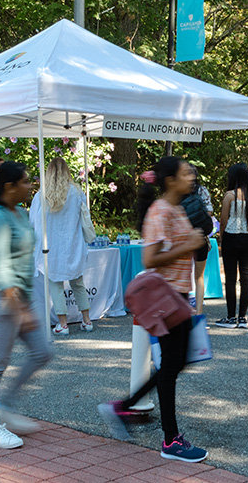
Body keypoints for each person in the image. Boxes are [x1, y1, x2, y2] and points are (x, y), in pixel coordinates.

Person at [99, 157, 210, 463]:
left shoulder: (177, 208)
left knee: (174, 363)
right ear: (171, 180)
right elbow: (149, 259)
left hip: (178, 295)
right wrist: (188, 246)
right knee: (173, 365)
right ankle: (171, 440)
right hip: (166, 297)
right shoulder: (160, 211)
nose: (192, 177)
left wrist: (193, 242)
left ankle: (123, 407)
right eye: (187, 173)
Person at [0, 161, 53, 449]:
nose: (30, 185)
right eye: (26, 181)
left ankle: (3, 405)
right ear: (9, 187)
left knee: (42, 352)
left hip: (18, 296)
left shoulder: (19, 212)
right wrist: (21, 309)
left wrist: (25, 305)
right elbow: (0, 265)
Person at [30, 158, 96, 335]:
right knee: (78, 283)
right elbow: (84, 217)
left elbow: (33, 222)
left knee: (56, 286)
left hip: (50, 247)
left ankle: (63, 324)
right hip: (72, 244)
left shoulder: (41, 194)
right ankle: (87, 320)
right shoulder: (76, 192)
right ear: (67, 171)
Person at [216, 163, 248, 329]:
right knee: (246, 277)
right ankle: (243, 317)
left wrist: (221, 237)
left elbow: (223, 220)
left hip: (232, 238)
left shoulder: (229, 196)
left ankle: (230, 317)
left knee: (231, 278)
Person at [181, 165, 215, 316]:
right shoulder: (203, 191)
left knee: (182, 275)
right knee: (199, 276)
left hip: (183, 239)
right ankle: (199, 312)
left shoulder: (178, 192)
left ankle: (182, 312)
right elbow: (209, 211)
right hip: (200, 237)